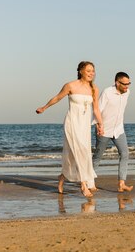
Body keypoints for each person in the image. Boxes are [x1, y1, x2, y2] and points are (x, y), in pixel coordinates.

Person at [36, 61, 104, 197]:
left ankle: (62, 177)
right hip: (72, 122)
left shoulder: (94, 88)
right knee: (79, 152)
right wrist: (44, 107)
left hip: (84, 125)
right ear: (81, 71)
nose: (92, 73)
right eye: (89, 70)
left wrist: (100, 124)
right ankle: (83, 185)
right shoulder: (70, 85)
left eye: (93, 71)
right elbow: (57, 98)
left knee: (81, 153)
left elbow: (96, 109)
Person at [92, 72, 134, 192]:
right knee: (98, 156)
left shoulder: (127, 93)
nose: (127, 86)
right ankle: (89, 181)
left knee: (125, 153)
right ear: (117, 83)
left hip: (119, 129)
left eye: (128, 84)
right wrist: (98, 125)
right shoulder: (107, 93)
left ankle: (122, 183)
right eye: (125, 84)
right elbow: (97, 110)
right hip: (104, 129)